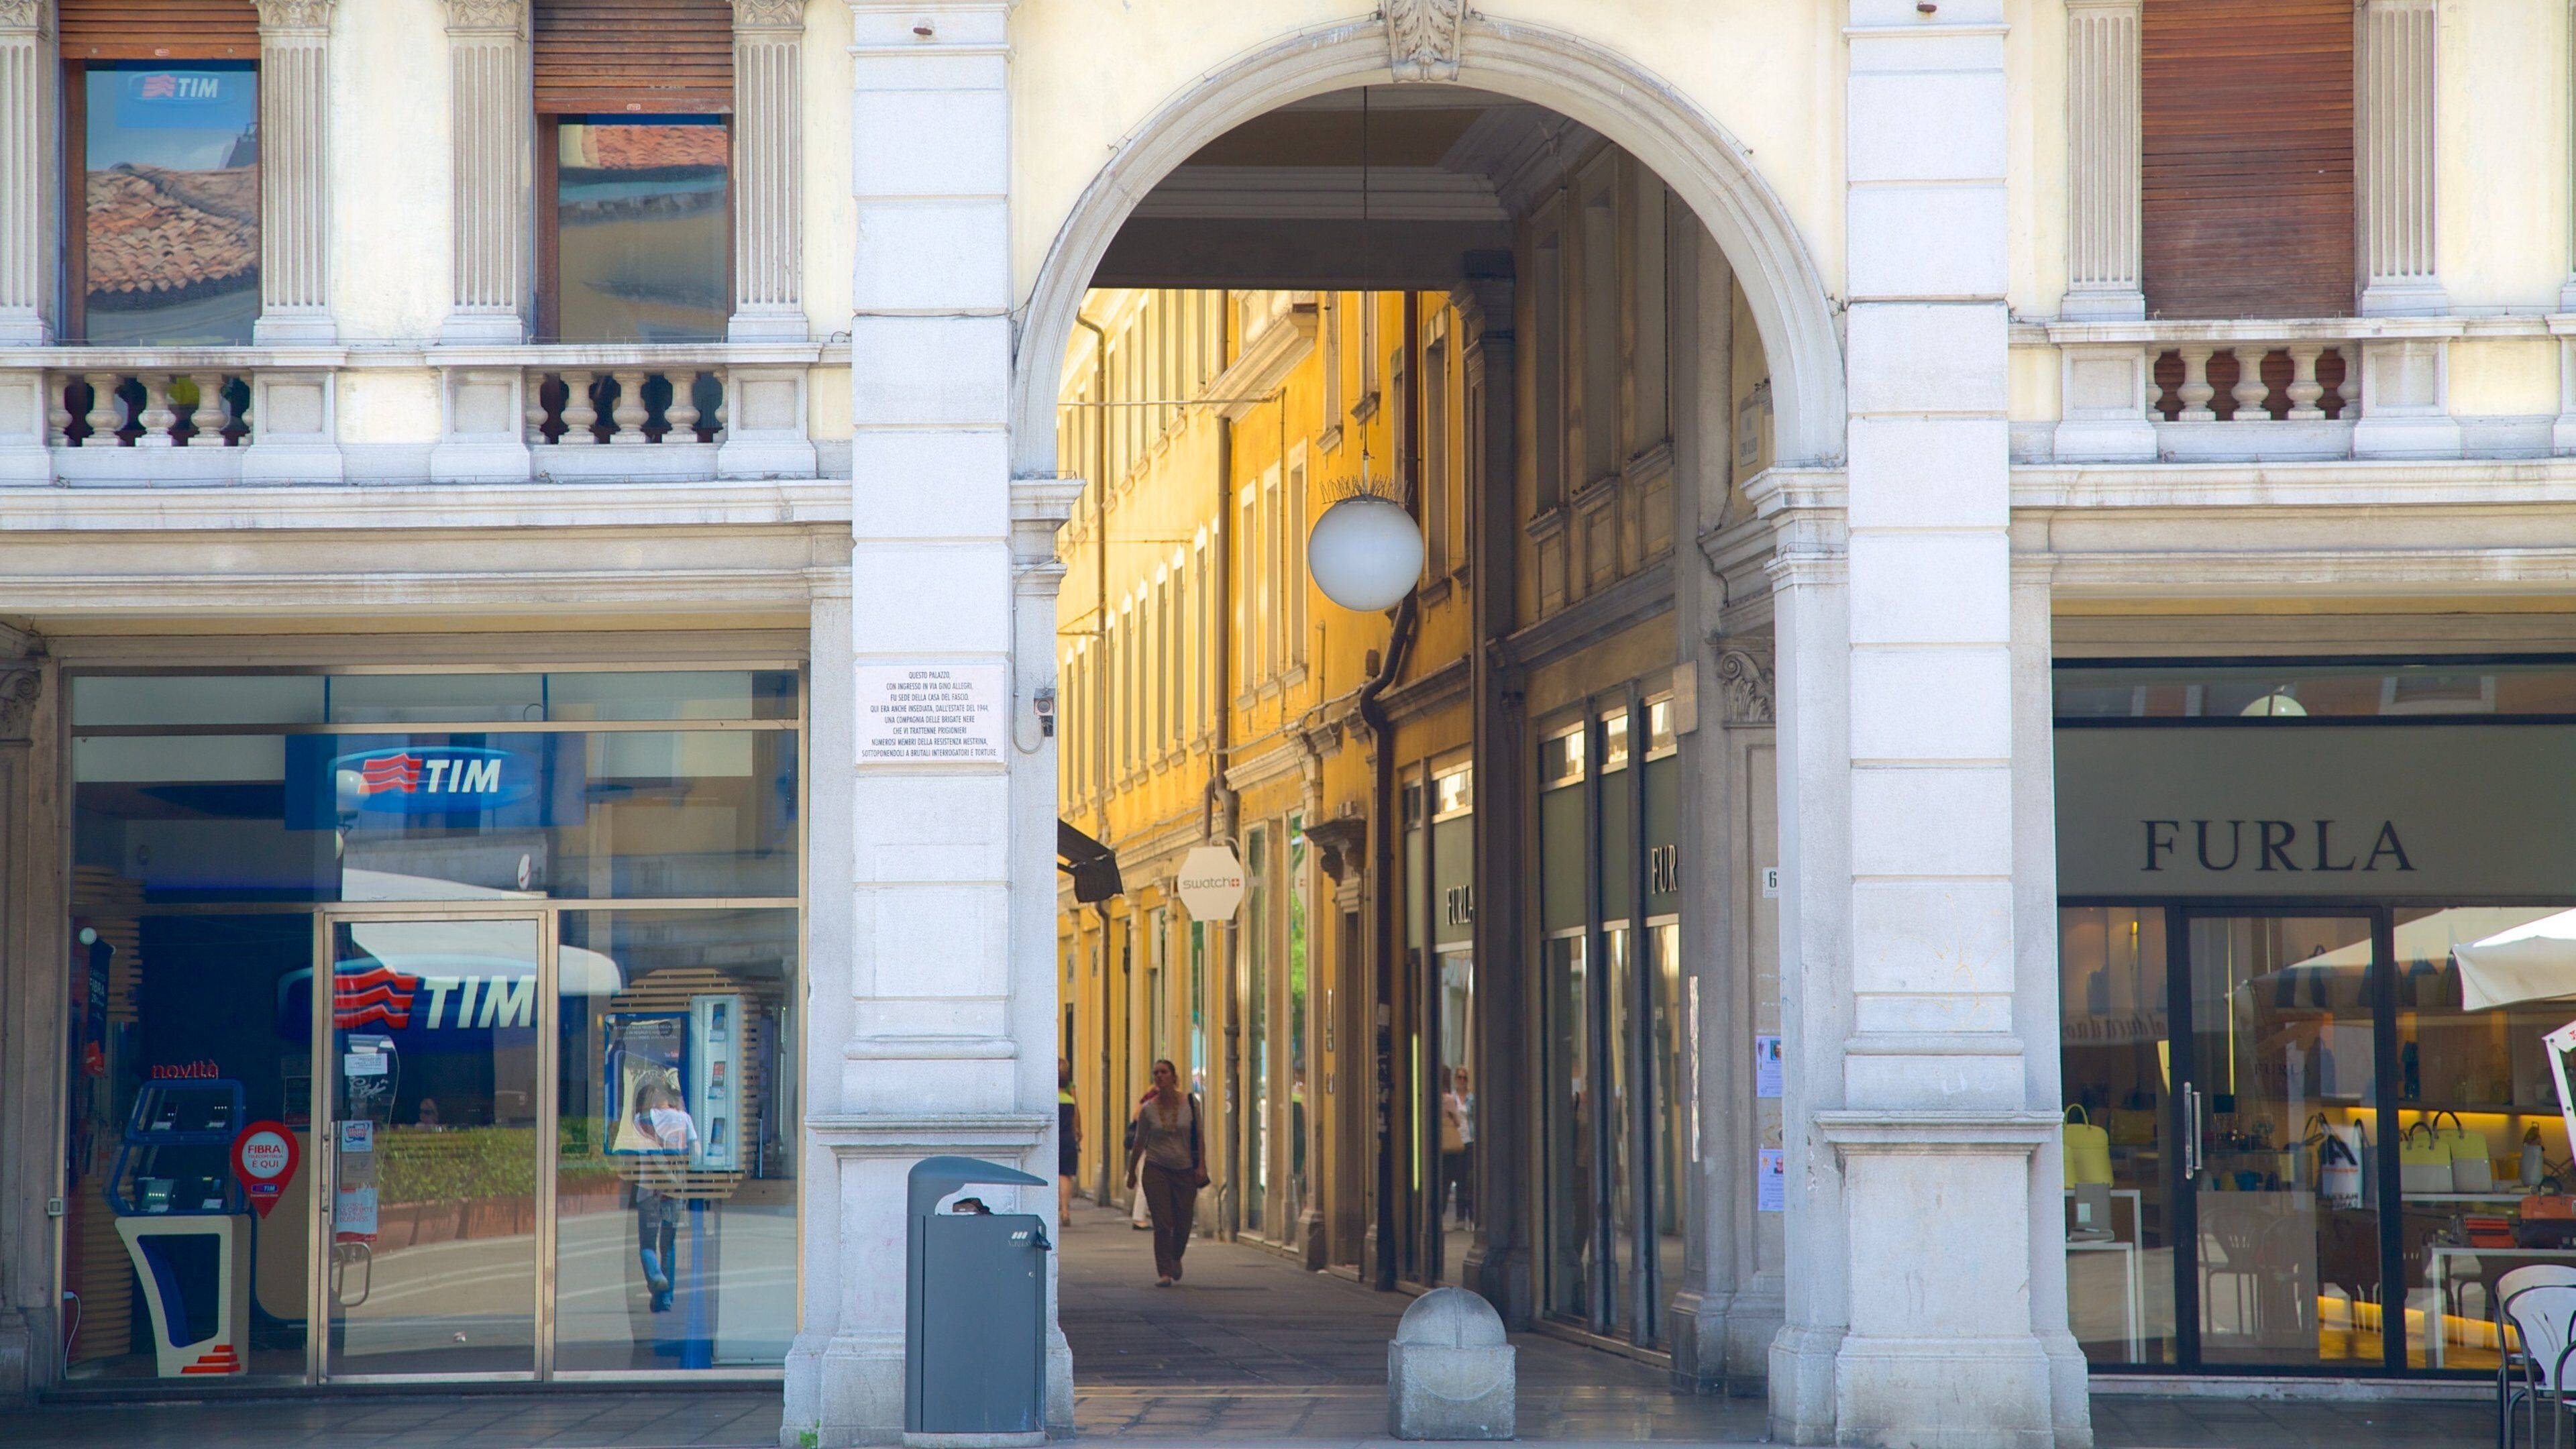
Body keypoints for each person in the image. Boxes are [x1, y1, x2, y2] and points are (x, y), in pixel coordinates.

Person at [1124, 1059, 1206, 1285]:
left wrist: (1202, 1166)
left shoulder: (1191, 1103)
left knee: (1184, 1220)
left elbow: (1199, 1137)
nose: (1159, 1076)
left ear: (1173, 1076)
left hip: (1184, 1170)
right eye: (1156, 1073)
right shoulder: (1148, 1110)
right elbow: (1139, 1143)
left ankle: (1176, 1256)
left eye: (1163, 1072)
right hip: (1156, 1168)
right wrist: (1132, 1173)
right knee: (1162, 1222)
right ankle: (1164, 1272)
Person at [632, 1078, 698, 1313]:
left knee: (647, 1245)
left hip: (648, 1189)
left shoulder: (641, 1120)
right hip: (675, 1189)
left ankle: (656, 1276)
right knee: (668, 1245)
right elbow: (696, 1153)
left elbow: (627, 1149)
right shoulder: (684, 1119)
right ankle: (665, 1300)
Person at [1440, 1066, 1476, 1226]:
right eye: (1459, 1078)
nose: (1462, 1081)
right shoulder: (1451, 1098)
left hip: (1468, 1139)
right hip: (1455, 1140)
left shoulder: (1471, 1099)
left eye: (1464, 1078)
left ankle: (1470, 1214)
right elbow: (1456, 1120)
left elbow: (1473, 1118)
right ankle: (1461, 1215)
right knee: (1458, 1177)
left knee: (1468, 1179)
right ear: (1455, 1080)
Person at [1057, 1059, 1081, 1226]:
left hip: (1053, 1140)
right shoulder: (1070, 1100)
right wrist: (1078, 1132)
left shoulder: (1049, 1099)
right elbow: (1076, 1120)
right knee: (1065, 1176)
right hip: (1068, 1138)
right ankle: (1065, 1210)